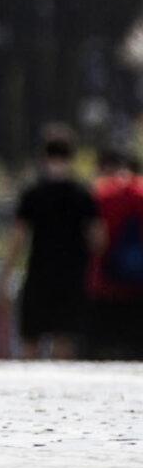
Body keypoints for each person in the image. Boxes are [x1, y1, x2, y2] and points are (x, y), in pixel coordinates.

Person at [3, 127, 95, 362]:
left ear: (43, 156)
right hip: (71, 274)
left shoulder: (33, 193)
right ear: (71, 156)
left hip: (39, 272)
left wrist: (7, 273)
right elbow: (98, 237)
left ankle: (29, 390)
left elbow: (18, 238)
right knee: (64, 338)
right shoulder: (82, 194)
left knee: (31, 339)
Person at [83, 148, 143, 362]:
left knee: (97, 356)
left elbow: (97, 240)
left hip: (105, 285)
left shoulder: (101, 193)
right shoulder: (140, 192)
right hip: (139, 289)